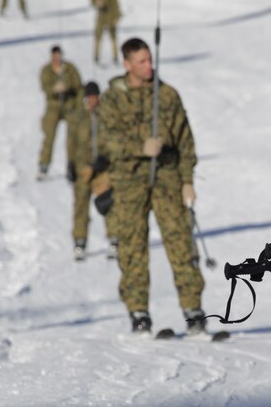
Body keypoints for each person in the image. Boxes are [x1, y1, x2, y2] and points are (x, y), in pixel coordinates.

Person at [97, 37, 206, 334]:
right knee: (132, 246)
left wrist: (187, 181)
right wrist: (139, 146)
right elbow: (106, 141)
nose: (148, 66)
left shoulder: (167, 95)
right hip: (129, 180)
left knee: (180, 240)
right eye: (141, 61)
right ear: (127, 64)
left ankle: (193, 309)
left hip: (167, 177)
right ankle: (138, 312)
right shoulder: (112, 98)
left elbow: (185, 140)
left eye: (149, 60)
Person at [66, 81, 119, 261]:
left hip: (103, 168)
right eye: (89, 97)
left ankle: (113, 238)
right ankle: (80, 241)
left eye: (95, 97)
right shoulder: (78, 116)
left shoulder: (107, 115)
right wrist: (71, 164)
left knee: (108, 203)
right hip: (83, 168)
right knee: (80, 204)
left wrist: (105, 158)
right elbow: (71, 141)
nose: (92, 100)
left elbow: (114, 139)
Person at [37, 45, 83, 180]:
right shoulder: (46, 70)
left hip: (69, 105)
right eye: (54, 56)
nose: (57, 59)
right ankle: (43, 165)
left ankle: (71, 165)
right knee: (49, 136)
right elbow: (45, 87)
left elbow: (79, 87)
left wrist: (77, 104)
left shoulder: (69, 69)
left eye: (59, 56)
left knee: (72, 138)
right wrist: (54, 89)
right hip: (53, 106)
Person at [91, 0, 122, 65]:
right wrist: (97, 3)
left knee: (113, 38)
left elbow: (116, 5)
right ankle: (96, 56)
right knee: (98, 37)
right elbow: (92, 1)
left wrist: (116, 17)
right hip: (101, 18)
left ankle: (115, 57)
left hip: (110, 17)